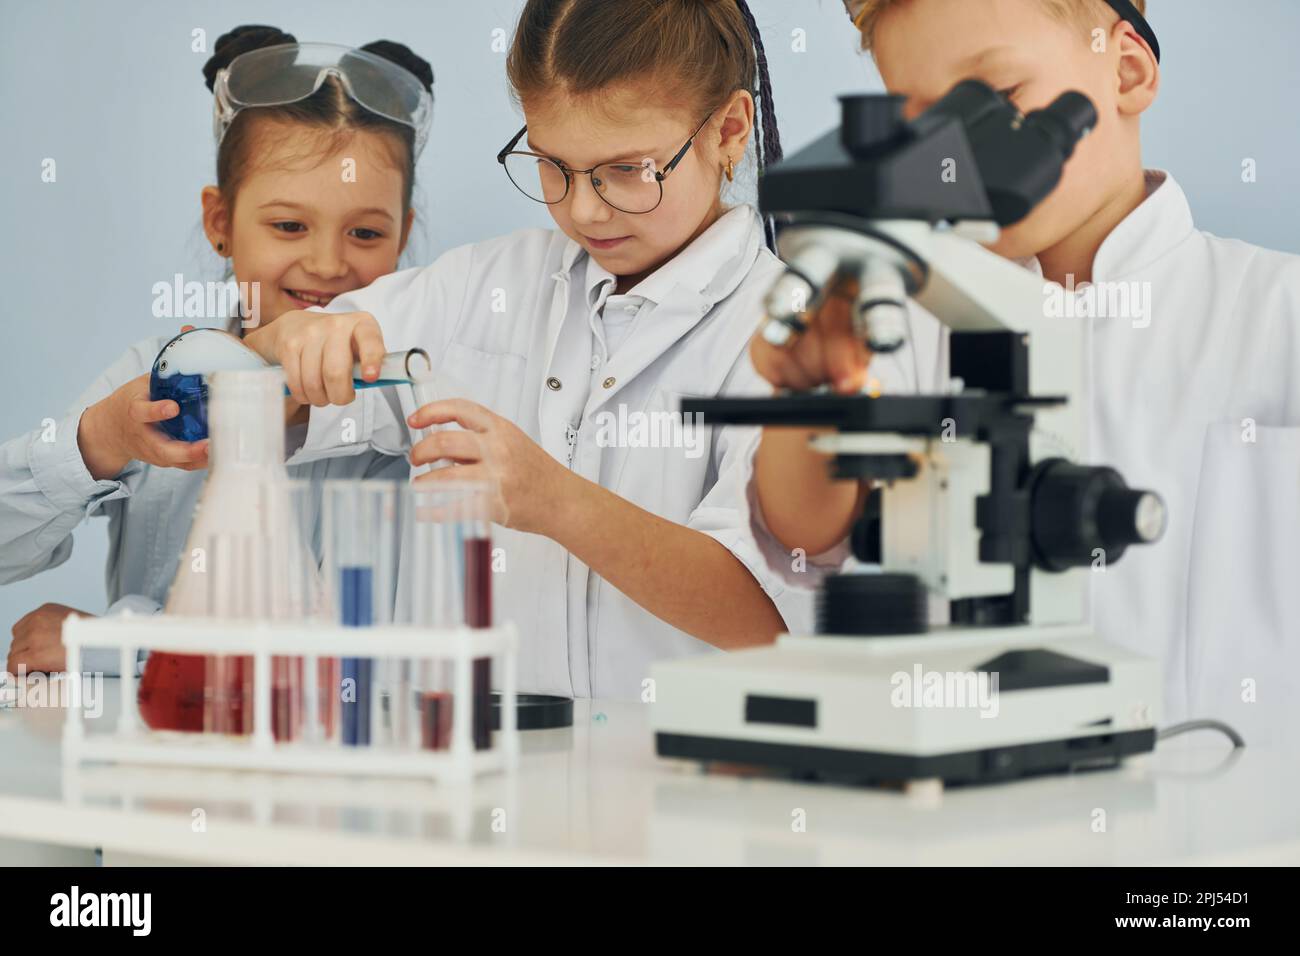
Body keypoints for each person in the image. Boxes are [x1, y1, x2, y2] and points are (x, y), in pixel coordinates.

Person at [748, 0, 1300, 744]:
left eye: (997, 101)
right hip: (978, 808)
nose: (953, 160)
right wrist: (811, 390)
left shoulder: (1277, 313)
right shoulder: (903, 314)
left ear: (1127, 70)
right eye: (920, 127)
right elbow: (803, 539)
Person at [247, 0, 806, 700]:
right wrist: (293, 346)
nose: (584, 210)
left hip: (688, 791)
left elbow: (771, 613)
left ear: (728, 130)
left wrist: (555, 501)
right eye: (553, 165)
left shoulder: (796, 335)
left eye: (626, 170)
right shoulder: (482, 286)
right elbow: (250, 385)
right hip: (486, 788)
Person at [1, 25, 434, 674]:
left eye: (366, 232)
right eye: (289, 225)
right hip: (158, 771)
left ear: (402, 240)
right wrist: (101, 439)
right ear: (221, 223)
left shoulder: (414, 412)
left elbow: (345, 663)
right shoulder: (152, 381)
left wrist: (121, 644)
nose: (326, 263)